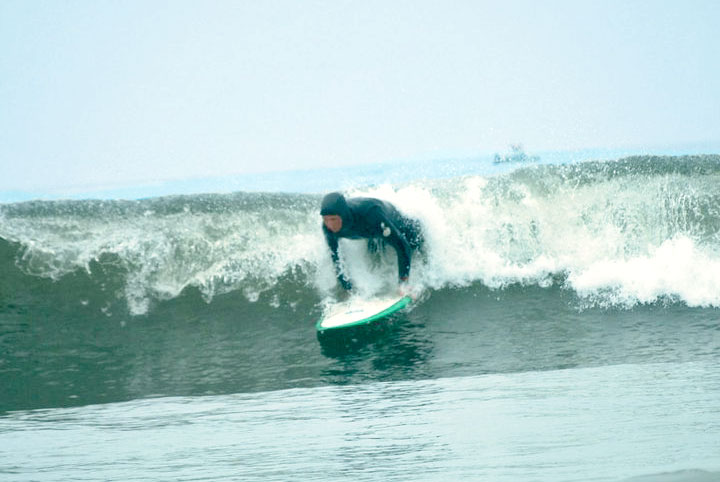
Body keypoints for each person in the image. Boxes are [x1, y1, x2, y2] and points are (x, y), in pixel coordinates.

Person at [320, 192, 423, 292]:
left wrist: (403, 284)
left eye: (333, 219)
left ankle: (416, 278)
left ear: (343, 215)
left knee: (413, 245)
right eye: (326, 219)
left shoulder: (371, 215)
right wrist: (347, 288)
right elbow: (336, 258)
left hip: (397, 224)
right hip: (372, 233)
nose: (330, 225)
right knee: (375, 254)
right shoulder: (327, 228)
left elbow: (402, 246)